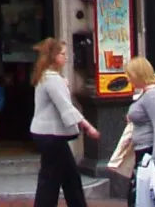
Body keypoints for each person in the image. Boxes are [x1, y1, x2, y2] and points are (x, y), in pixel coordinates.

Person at [30, 37, 99, 207]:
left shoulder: (47, 77)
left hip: (46, 134)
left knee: (59, 175)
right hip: (51, 135)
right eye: (62, 54)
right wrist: (87, 126)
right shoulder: (53, 80)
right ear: (53, 56)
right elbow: (66, 107)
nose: (66, 57)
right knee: (59, 177)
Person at [124, 58, 155, 206]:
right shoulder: (148, 93)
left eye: (130, 75)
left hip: (151, 151)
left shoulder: (153, 95)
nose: (128, 78)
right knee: (141, 197)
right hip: (146, 150)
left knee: (144, 197)